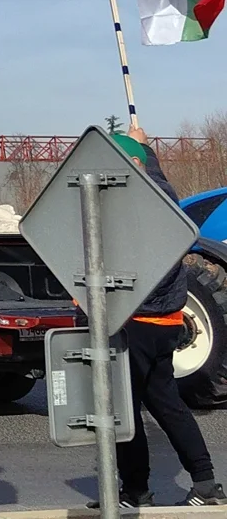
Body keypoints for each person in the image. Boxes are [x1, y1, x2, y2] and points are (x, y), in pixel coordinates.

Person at [102, 130, 225, 508]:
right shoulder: (165, 196)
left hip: (138, 319)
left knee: (123, 409)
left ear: (132, 167)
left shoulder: (138, 203)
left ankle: (135, 491)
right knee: (167, 403)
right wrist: (146, 146)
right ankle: (206, 483)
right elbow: (152, 173)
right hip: (167, 321)